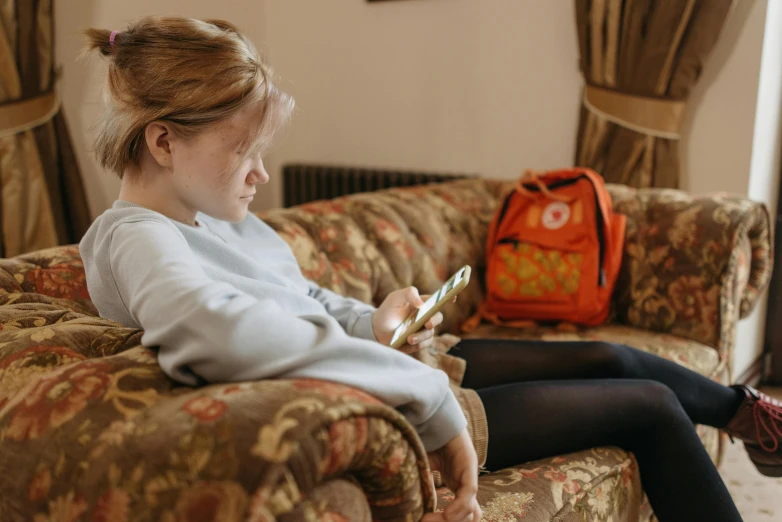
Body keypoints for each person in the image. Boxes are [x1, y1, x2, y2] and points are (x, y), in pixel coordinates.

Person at [78, 17, 781, 522]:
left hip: (395, 368)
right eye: (243, 149)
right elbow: (215, 329)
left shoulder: (225, 218)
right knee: (649, 408)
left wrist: (376, 318)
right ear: (163, 141)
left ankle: (756, 421)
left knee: (615, 357)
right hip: (393, 404)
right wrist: (423, 387)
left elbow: (301, 297)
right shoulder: (134, 238)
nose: (262, 171)